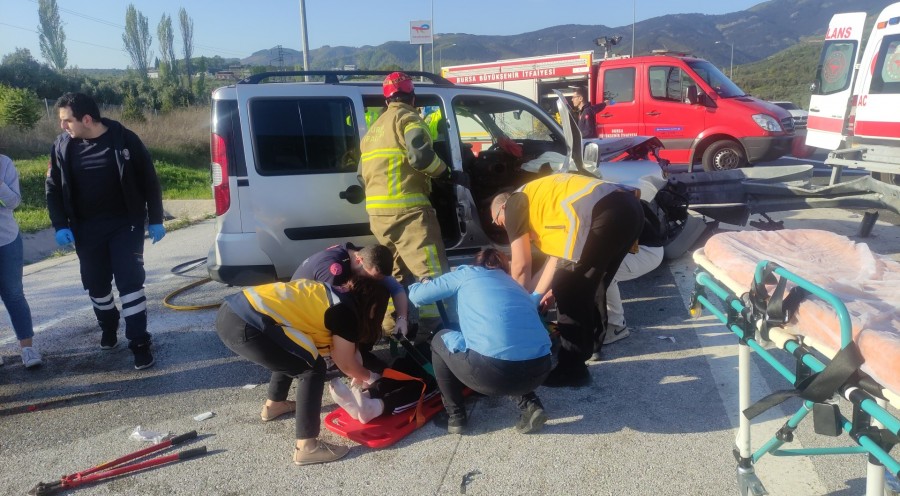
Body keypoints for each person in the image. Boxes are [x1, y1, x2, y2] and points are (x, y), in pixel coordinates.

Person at [46, 92, 165, 370]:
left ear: (87, 119)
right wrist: (60, 225)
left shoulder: (124, 139)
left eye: (67, 121)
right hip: (86, 229)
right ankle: (108, 325)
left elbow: (149, 180)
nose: (63, 126)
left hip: (126, 225)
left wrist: (156, 218)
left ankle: (139, 342)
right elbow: (53, 189)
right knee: (97, 286)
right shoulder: (62, 146)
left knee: (130, 283)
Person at [215, 276, 389, 465]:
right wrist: (371, 377)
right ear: (373, 308)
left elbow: (348, 352)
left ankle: (275, 405)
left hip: (231, 313)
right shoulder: (345, 312)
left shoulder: (333, 295)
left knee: (296, 352)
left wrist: (358, 371)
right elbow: (345, 363)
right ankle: (307, 447)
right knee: (312, 369)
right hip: (248, 325)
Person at [490, 173, 643, 387]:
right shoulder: (542, 203)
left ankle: (572, 369)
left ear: (502, 209)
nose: (504, 228)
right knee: (592, 283)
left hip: (605, 215)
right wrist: (542, 294)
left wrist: (518, 308)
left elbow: (520, 266)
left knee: (570, 292)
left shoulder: (515, 203)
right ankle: (592, 346)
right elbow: (558, 259)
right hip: (629, 208)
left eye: (498, 222)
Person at [407, 248, 552, 434]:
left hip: (492, 374)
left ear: (477, 264)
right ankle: (530, 404)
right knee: (509, 346)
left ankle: (455, 416)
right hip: (539, 370)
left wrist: (425, 283)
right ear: (503, 268)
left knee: (438, 339)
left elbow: (417, 296)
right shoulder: (514, 285)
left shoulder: (466, 273)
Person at [359, 72, 453, 335]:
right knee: (432, 273)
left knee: (392, 275)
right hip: (408, 211)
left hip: (378, 215)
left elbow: (360, 174)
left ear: (386, 100)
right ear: (412, 97)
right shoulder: (408, 118)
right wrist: (446, 172)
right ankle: (438, 331)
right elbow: (422, 158)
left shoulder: (373, 130)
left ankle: (391, 329)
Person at [291, 243, 409, 337]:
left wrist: (402, 319)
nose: (373, 279)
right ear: (359, 260)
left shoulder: (366, 258)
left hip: (320, 303)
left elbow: (396, 288)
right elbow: (331, 311)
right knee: (364, 295)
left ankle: (363, 344)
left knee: (380, 290)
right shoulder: (334, 270)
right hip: (300, 313)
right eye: (371, 276)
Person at [0, 154, 42, 369]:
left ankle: (27, 348)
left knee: (14, 294)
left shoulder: (4, 163)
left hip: (6, 239)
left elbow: (14, 201)